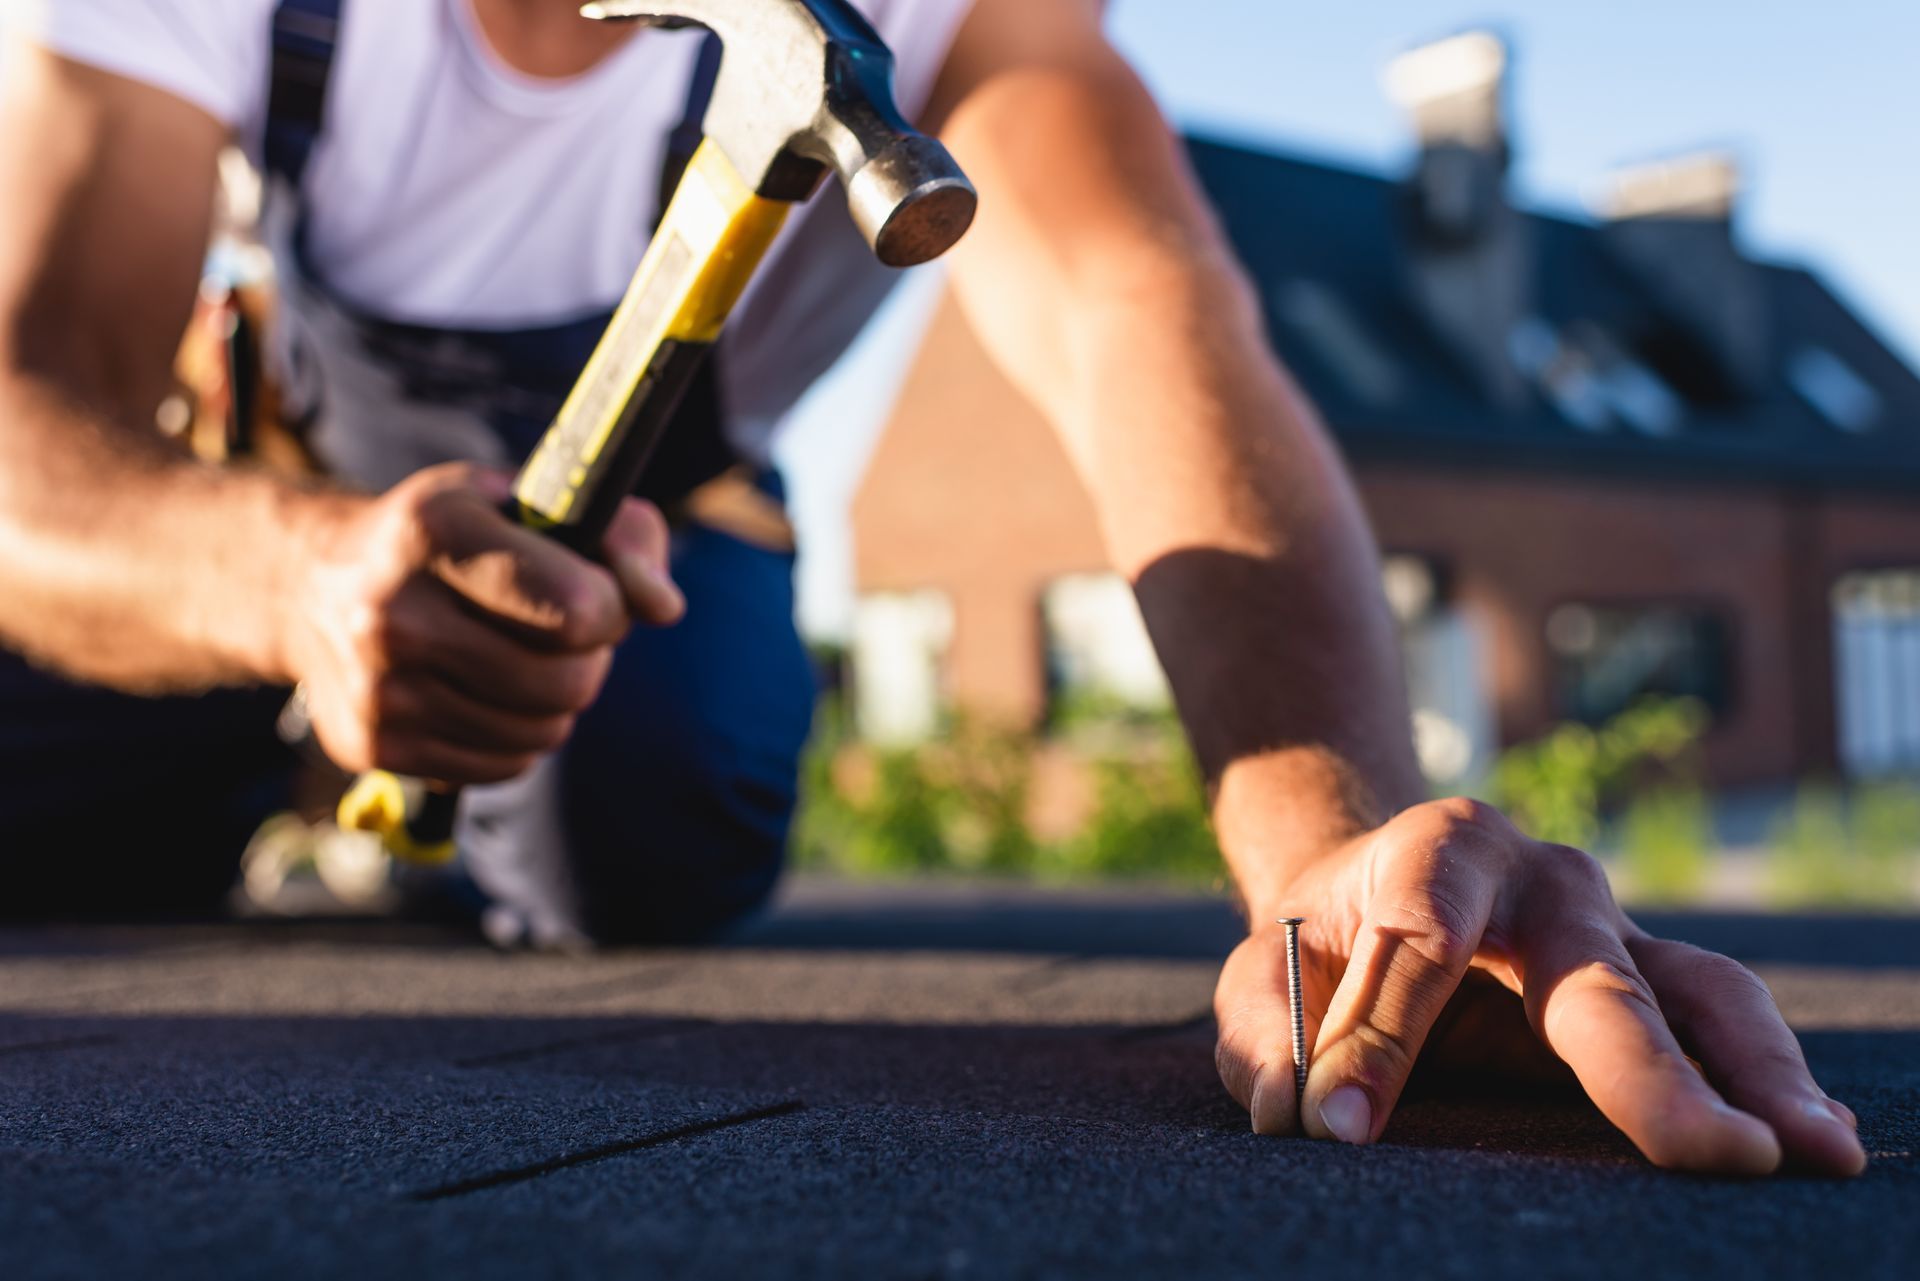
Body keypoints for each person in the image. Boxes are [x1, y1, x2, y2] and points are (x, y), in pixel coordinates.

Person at [0, 0, 1864, 1176]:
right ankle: (284, 762)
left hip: (638, 540)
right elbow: (33, 418)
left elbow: (1148, 314)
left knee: (646, 816)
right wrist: (298, 579)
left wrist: (1341, 861)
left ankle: (412, 792)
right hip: (253, 510)